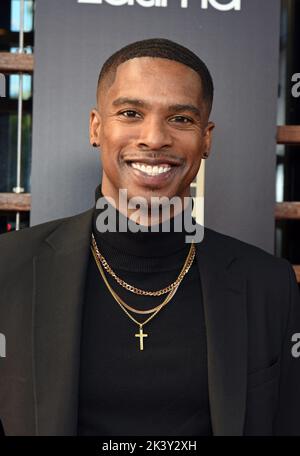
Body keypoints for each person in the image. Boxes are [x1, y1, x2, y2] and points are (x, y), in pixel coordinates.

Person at [0, 38, 300, 437]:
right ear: (96, 127)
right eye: (130, 113)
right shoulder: (8, 267)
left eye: (180, 119)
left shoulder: (269, 284)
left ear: (206, 139)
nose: (155, 138)